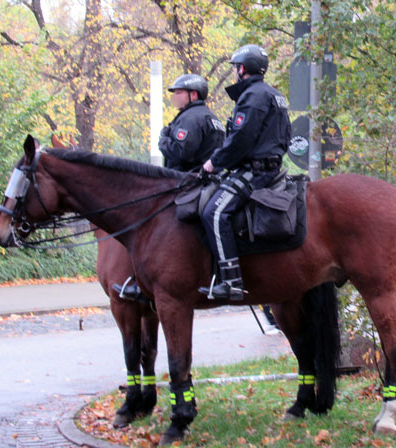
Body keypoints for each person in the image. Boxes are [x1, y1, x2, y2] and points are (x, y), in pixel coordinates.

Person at [114, 74, 224, 301]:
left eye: (178, 92)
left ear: (193, 95)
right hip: (209, 183)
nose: (174, 97)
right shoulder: (212, 117)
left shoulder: (190, 118)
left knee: (142, 221)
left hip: (185, 183)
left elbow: (181, 151)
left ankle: (141, 281)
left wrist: (163, 139)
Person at [198, 44, 291, 301]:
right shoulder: (275, 95)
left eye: (235, 68)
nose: (235, 73)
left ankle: (232, 282)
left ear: (242, 68)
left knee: (214, 212)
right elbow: (287, 136)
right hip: (272, 168)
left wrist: (213, 163)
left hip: (255, 172)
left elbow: (241, 138)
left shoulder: (252, 96)